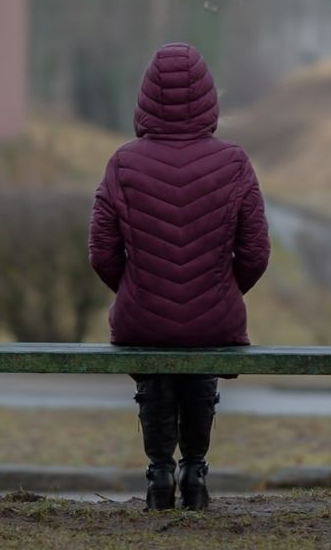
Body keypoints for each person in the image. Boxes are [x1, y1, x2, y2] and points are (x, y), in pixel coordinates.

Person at [88, 42, 270, 511]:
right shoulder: (234, 162)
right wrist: (220, 292)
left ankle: (159, 474)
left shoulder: (123, 163)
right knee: (198, 365)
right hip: (214, 320)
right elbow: (255, 252)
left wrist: (138, 290)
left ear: (145, 97)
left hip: (141, 319)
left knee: (155, 375)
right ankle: (194, 469)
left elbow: (102, 253)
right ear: (210, 99)